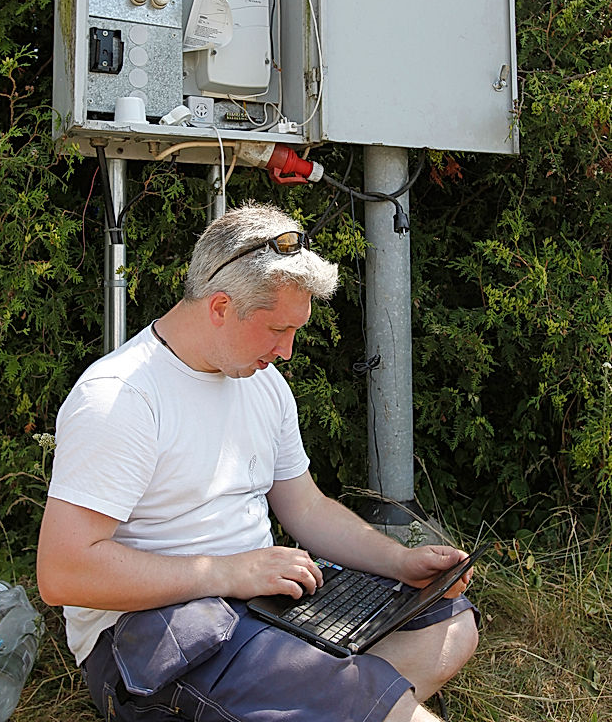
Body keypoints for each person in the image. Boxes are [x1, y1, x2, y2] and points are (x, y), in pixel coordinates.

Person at [37, 201, 479, 722]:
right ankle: (335, 694)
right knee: (385, 710)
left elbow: (306, 507)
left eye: (295, 331)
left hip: (258, 604)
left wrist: (398, 562)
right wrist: (229, 572)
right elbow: (62, 573)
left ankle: (318, 691)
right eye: (276, 330)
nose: (288, 350)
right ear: (220, 306)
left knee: (449, 623)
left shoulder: (262, 382)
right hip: (153, 633)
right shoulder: (121, 398)